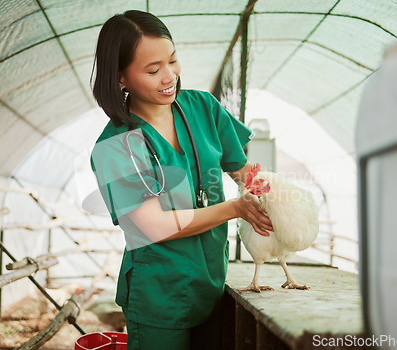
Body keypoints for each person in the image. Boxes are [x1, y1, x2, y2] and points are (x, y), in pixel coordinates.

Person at [90, 10, 273, 350]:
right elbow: (154, 226)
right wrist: (234, 208)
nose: (169, 76)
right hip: (159, 297)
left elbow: (243, 171)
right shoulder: (114, 147)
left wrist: (278, 198)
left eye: (172, 61)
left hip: (212, 283)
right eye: (152, 70)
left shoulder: (203, 106)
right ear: (120, 79)